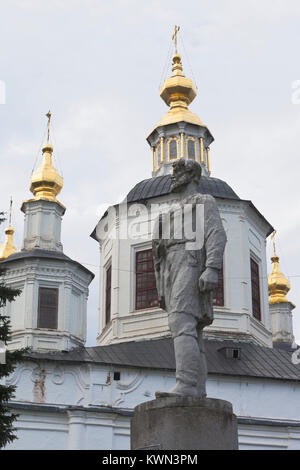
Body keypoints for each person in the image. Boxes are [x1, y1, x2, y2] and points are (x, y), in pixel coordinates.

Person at [152, 159, 226, 398]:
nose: (173, 176)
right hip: (172, 267)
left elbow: (216, 234)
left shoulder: (204, 202)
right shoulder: (167, 214)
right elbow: (158, 252)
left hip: (191, 261)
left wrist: (212, 267)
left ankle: (186, 383)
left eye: (178, 172)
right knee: (193, 329)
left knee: (181, 322)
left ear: (192, 175)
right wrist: (162, 284)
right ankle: (197, 390)